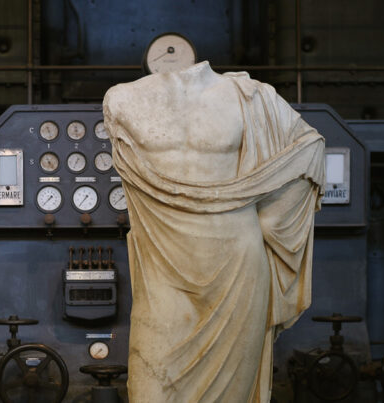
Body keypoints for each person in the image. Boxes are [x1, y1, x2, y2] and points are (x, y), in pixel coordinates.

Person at [103, 61, 325, 402]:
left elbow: (309, 152)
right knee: (150, 385)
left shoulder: (254, 98)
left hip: (237, 266)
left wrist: (268, 225)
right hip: (163, 264)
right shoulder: (120, 100)